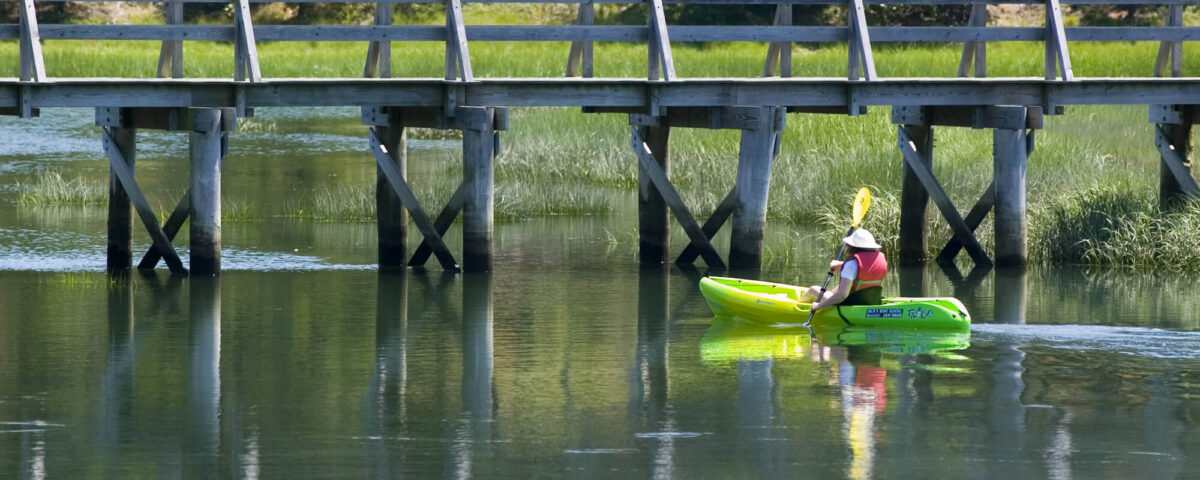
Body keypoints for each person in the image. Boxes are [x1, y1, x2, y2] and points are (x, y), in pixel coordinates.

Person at [800, 228, 887, 311]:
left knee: (813, 289)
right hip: (872, 301)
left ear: (851, 247)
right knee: (840, 287)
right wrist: (842, 264)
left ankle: (798, 303)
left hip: (850, 304)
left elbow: (842, 295)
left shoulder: (851, 265)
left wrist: (820, 306)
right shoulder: (878, 259)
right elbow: (864, 268)